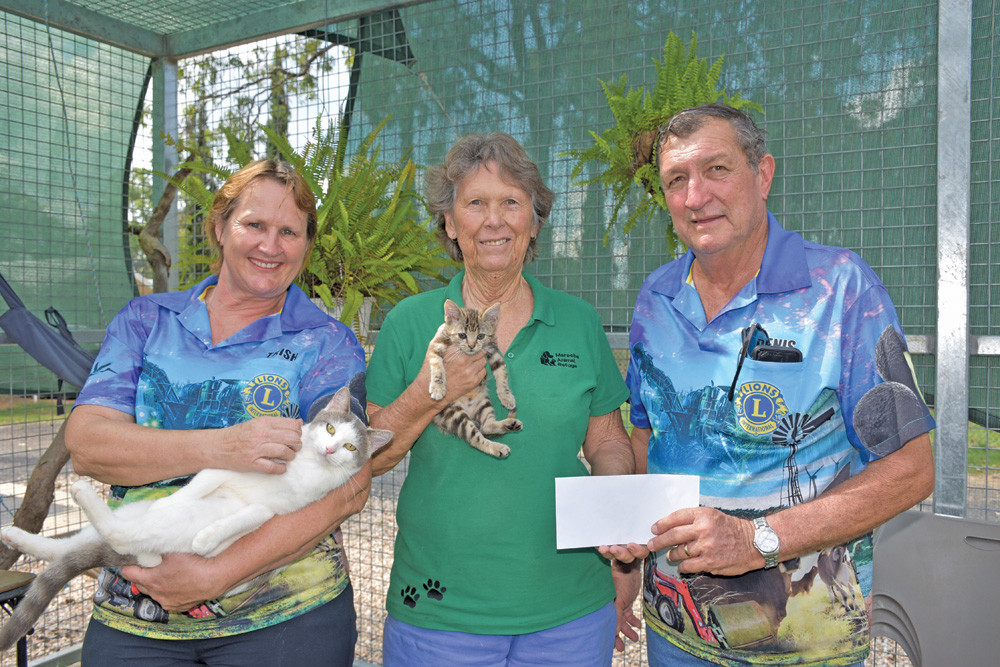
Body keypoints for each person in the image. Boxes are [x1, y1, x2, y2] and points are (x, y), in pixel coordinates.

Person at [607, 103, 936, 666]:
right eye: (676, 181)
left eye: (717, 170)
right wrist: (627, 560)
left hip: (809, 643)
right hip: (676, 635)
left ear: (763, 174)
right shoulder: (654, 300)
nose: (695, 196)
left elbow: (911, 470)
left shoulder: (839, 289)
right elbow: (647, 441)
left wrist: (757, 539)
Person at [65, 159, 370, 666]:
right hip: (136, 614)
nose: (270, 246)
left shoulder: (326, 342)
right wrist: (223, 446)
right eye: (254, 225)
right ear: (220, 226)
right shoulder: (146, 320)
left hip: (285, 618)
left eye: (289, 232)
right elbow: (88, 445)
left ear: (306, 246)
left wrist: (215, 574)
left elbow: (350, 484)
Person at [365, 132, 636, 666]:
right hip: (439, 613)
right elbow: (371, 458)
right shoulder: (410, 322)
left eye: (511, 202)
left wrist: (617, 530)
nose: (494, 220)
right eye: (475, 204)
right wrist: (429, 391)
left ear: (533, 222)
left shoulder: (577, 321)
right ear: (449, 223)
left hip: (571, 611)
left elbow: (607, 437)